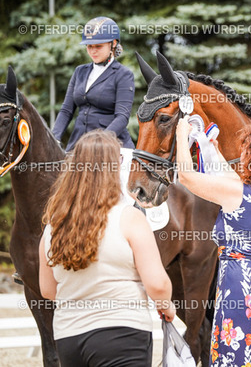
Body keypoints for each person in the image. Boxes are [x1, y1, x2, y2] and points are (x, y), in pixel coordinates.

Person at [39, 129, 175, 367]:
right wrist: (167, 306)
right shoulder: (129, 217)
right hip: (121, 332)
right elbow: (158, 285)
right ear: (114, 166)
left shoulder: (53, 225)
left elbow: (48, 290)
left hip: (69, 337)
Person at [175, 121, 251, 367]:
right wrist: (212, 149)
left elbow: (186, 176)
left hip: (244, 289)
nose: (240, 156)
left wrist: (180, 135)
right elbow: (228, 178)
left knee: (234, 358)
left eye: (244, 152)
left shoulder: (235, 192)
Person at [53, 16, 135, 151]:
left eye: (98, 46)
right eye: (89, 46)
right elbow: (66, 110)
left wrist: (101, 142)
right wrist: (54, 138)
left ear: (113, 43)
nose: (93, 51)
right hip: (78, 143)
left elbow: (122, 117)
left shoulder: (123, 74)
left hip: (111, 145)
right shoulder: (79, 71)